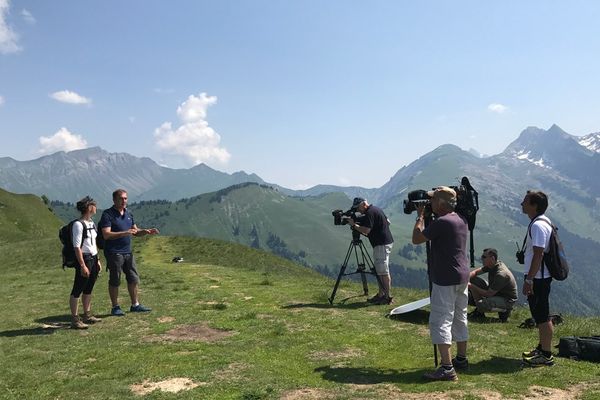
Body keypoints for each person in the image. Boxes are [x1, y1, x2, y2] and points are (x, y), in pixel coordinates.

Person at [412, 186, 469, 381]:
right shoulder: (461, 219)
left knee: (441, 319)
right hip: (462, 276)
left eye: (433, 200)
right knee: (460, 317)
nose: (430, 203)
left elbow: (416, 239)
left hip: (445, 277)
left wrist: (420, 217)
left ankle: (447, 368)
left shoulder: (442, 222)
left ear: (441, 203)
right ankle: (461, 359)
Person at [99, 189, 159, 316]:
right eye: (121, 198)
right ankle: (115, 307)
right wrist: (125, 232)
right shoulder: (107, 214)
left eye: (125, 198)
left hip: (128, 252)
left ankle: (135, 305)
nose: (124, 201)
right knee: (115, 279)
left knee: (133, 278)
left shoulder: (128, 213)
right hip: (114, 252)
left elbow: (135, 231)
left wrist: (146, 231)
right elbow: (106, 234)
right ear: (114, 200)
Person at [520, 190, 555, 367]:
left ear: (534, 205)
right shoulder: (541, 222)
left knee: (542, 315)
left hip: (539, 277)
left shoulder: (537, 226)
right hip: (539, 276)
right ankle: (542, 349)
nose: (522, 204)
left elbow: (538, 254)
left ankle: (546, 355)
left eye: (525, 201)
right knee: (540, 313)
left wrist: (529, 280)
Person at [347, 197, 394, 305]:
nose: (358, 211)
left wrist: (354, 225)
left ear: (363, 204)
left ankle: (386, 297)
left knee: (383, 271)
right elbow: (388, 222)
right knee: (380, 270)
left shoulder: (370, 213)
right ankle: (382, 294)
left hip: (381, 244)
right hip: (383, 242)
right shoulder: (376, 209)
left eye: (358, 208)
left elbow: (366, 230)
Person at [69, 196, 102, 329]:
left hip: (93, 258)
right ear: (89, 208)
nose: (96, 207)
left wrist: (98, 259)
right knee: (78, 288)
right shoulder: (78, 224)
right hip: (85, 258)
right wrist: (82, 265)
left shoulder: (91, 223)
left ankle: (87, 315)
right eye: (94, 205)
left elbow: (94, 243)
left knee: (89, 288)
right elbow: (77, 246)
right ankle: (75, 319)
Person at [468, 248, 518, 322]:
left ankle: (505, 310)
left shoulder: (501, 274)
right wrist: (465, 279)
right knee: (473, 279)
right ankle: (479, 311)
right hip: (496, 293)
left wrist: (471, 286)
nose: (482, 259)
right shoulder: (491, 265)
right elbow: (475, 273)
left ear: (492, 258)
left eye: (484, 257)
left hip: (507, 300)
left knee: (483, 305)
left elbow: (488, 294)